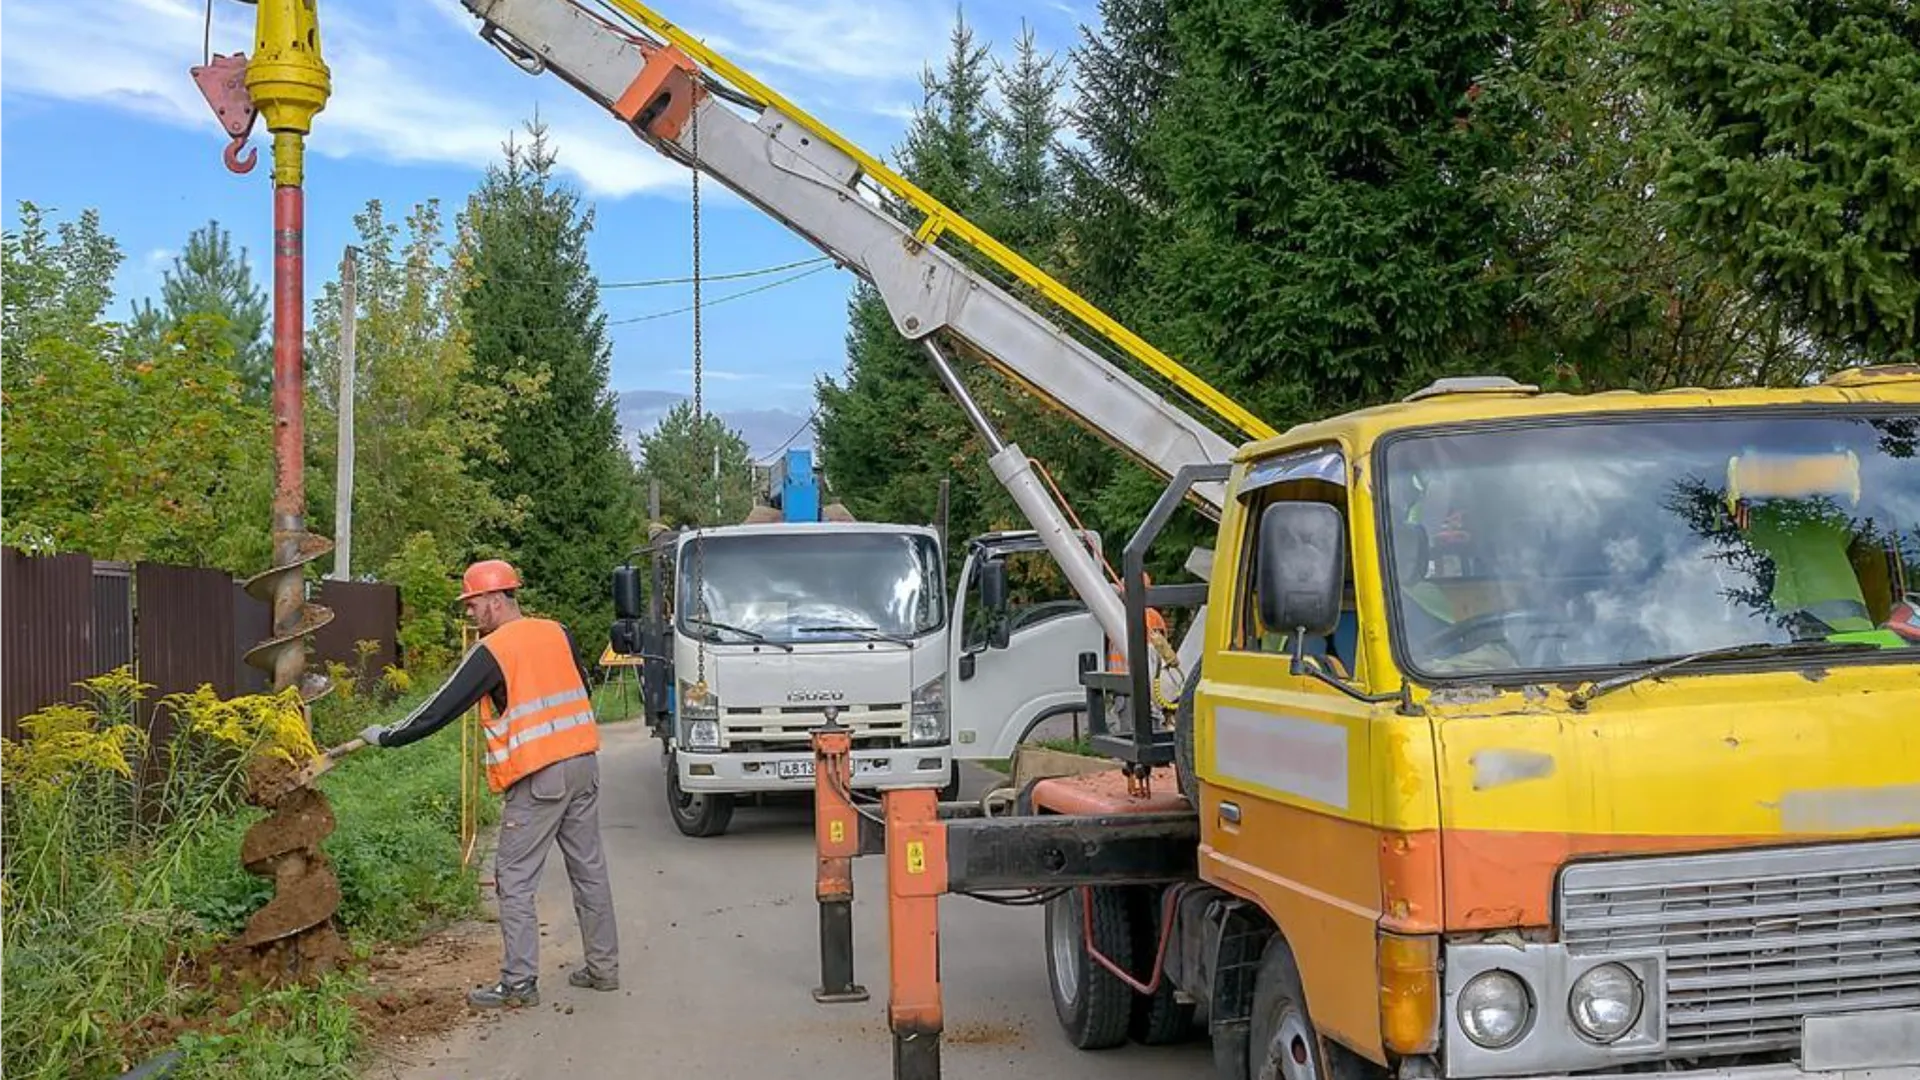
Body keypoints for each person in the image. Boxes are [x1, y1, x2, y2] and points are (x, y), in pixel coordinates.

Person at [358, 559, 620, 1009]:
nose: (470, 615)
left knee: (513, 879)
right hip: (584, 764)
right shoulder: (556, 631)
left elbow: (440, 707)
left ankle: (518, 984)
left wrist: (388, 736)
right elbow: (581, 687)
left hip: (541, 775)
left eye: (474, 604)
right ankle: (604, 969)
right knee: (589, 869)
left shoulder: (494, 650)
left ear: (497, 601)